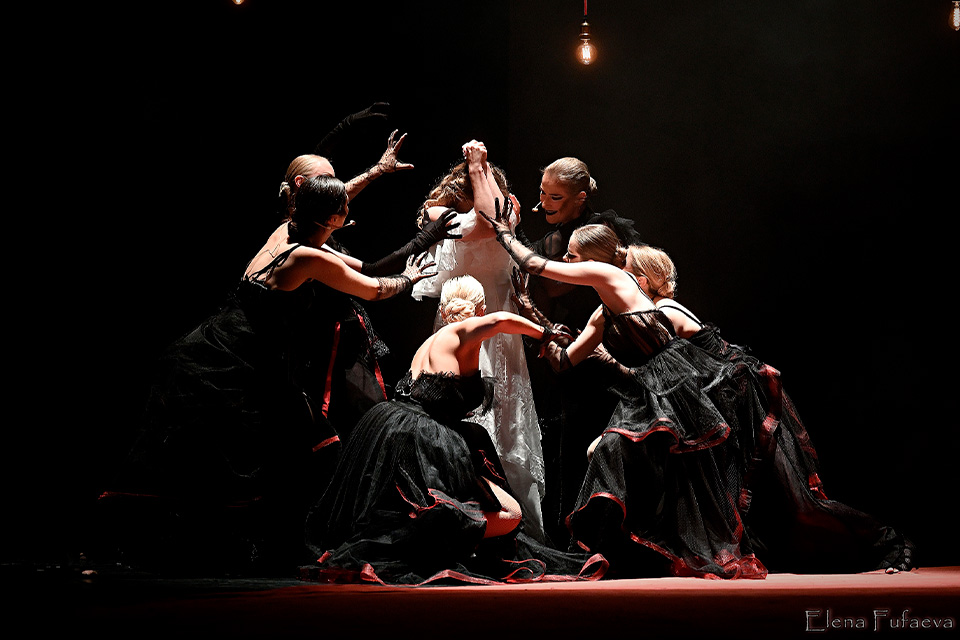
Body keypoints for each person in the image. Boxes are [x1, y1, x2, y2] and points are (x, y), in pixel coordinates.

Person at [97, 175, 436, 576]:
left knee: (266, 450)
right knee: (265, 452)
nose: (349, 209)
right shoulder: (307, 257)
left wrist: (388, 188)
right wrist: (411, 277)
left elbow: (364, 259)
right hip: (235, 360)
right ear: (334, 219)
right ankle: (271, 547)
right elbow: (373, 289)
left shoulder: (288, 230)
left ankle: (257, 546)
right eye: (344, 208)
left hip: (220, 345)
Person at [621, 244, 916, 574]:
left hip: (752, 403)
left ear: (642, 281)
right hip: (734, 408)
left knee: (801, 502)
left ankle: (892, 542)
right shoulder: (657, 311)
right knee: (766, 507)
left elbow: (671, 371)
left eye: (623, 272)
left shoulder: (664, 311)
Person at [303, 276, 607, 585]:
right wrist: (545, 334)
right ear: (480, 309)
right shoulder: (461, 332)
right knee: (510, 514)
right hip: (423, 436)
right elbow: (500, 321)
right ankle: (432, 542)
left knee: (437, 502)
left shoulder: (431, 340)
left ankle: (435, 538)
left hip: (394, 424)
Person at [410, 141, 548, 541]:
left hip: (500, 325)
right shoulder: (438, 213)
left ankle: (517, 523)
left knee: (507, 417)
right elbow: (482, 223)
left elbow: (490, 218)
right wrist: (477, 165)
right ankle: (467, 512)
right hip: (460, 317)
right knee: (464, 412)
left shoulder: (502, 213)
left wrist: (481, 169)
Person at [514, 157, 643, 544]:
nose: (544, 202)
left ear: (581, 198)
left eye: (555, 197)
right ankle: (579, 534)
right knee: (570, 443)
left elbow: (552, 282)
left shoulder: (597, 237)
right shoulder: (558, 238)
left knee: (592, 441)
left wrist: (507, 232)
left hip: (603, 356)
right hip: (576, 349)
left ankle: (598, 537)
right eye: (542, 193)